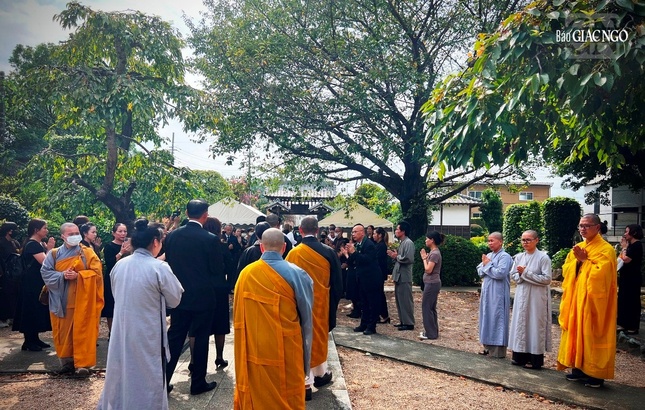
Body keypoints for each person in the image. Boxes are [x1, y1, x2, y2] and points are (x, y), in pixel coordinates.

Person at [97, 219, 183, 410]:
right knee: (148, 373)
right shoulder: (159, 267)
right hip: (147, 330)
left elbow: (116, 292)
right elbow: (175, 299)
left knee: (122, 370)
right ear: (155, 242)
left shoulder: (120, 265)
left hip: (122, 328)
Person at [233, 228, 313, 409]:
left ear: (261, 247)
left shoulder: (245, 274)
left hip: (253, 346)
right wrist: (306, 362)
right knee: (288, 394)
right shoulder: (298, 274)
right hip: (286, 347)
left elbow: (238, 317)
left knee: (257, 391)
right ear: (284, 248)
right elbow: (307, 320)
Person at [164, 199, 224, 395]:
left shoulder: (172, 236)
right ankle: (198, 382)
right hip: (203, 297)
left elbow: (169, 263)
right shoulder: (210, 239)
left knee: (175, 338)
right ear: (205, 215)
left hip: (179, 295)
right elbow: (217, 269)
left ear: (186, 213)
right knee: (201, 339)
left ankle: (163, 381)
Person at [286, 216, 343, 400]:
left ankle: (306, 381)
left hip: (298, 304)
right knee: (318, 338)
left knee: (301, 339)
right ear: (317, 230)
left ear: (300, 231)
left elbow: (285, 282)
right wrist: (332, 303)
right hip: (321, 305)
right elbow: (338, 284)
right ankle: (319, 374)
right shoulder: (329, 252)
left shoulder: (293, 254)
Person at [557, 214, 617, 388]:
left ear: (597, 227)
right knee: (576, 332)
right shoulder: (579, 247)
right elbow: (566, 270)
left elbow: (603, 276)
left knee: (592, 334)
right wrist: (578, 262)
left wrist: (584, 261)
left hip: (594, 302)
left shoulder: (606, 249)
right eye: (580, 226)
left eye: (587, 226)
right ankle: (578, 368)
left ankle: (595, 374)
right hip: (577, 299)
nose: (582, 229)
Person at [41, 222, 104, 376]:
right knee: (63, 333)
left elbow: (97, 274)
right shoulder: (54, 254)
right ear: (63, 236)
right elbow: (46, 272)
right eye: (71, 234)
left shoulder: (87, 253)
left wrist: (79, 276)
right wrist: (62, 275)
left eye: (77, 233)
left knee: (84, 331)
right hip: (61, 301)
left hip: (83, 302)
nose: (75, 236)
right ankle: (67, 362)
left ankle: (83, 365)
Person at [508, 230, 552, 369]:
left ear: (536, 240)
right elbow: (513, 274)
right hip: (521, 294)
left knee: (534, 324)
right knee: (520, 322)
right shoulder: (519, 257)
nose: (525, 242)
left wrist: (526, 273)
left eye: (528, 240)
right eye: (523, 240)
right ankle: (519, 356)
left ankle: (535, 359)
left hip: (536, 296)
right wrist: (521, 275)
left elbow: (547, 279)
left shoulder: (543, 258)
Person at [12, 219, 55, 351]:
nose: (46, 231)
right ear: (36, 230)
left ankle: (34, 339)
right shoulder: (33, 245)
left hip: (34, 281)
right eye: (44, 228)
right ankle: (29, 341)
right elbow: (45, 262)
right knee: (30, 309)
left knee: (35, 309)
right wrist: (50, 249)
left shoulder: (34, 244)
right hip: (31, 283)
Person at [476, 231, 512, 358]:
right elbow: (479, 271)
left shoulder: (505, 257)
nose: (489, 243)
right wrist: (488, 267)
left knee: (497, 318)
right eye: (488, 241)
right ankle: (487, 347)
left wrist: (488, 266)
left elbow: (500, 273)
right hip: (487, 292)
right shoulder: (489, 255)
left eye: (492, 240)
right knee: (486, 316)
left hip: (498, 293)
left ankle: (497, 351)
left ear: (500, 242)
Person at [203, 216, 232, 369]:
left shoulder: (198, 245)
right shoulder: (222, 246)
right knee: (220, 323)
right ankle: (219, 357)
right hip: (219, 287)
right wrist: (229, 286)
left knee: (198, 326)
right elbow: (230, 267)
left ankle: (194, 360)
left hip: (201, 287)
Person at [343, 224, 382, 335]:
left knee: (372, 302)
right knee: (363, 302)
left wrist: (354, 253)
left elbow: (367, 260)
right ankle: (364, 324)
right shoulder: (358, 244)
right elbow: (353, 261)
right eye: (352, 232)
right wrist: (348, 253)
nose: (353, 234)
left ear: (362, 233)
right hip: (361, 278)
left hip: (371, 278)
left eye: (355, 232)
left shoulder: (369, 245)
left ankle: (371, 326)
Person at [101, 223, 132, 337]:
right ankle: (112, 333)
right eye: (120, 231)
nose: (123, 234)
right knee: (111, 306)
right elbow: (109, 263)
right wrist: (121, 252)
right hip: (112, 278)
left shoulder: (130, 246)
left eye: (125, 231)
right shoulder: (109, 246)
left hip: (126, 277)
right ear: (114, 233)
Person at [387, 221, 415, 331]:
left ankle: (409, 323)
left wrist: (396, 256)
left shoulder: (408, 243)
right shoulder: (402, 242)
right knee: (400, 299)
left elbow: (409, 259)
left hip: (404, 276)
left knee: (406, 300)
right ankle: (403, 320)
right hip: (399, 276)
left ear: (403, 231)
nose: (396, 231)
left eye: (398, 229)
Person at [617, 224, 643, 335]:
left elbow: (626, 259)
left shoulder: (637, 245)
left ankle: (633, 326)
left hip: (633, 278)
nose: (625, 234)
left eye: (627, 232)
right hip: (625, 277)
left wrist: (624, 247)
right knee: (623, 299)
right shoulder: (630, 245)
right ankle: (623, 323)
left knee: (632, 301)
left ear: (634, 233)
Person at [419, 231, 444, 340]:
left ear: (432, 240)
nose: (425, 241)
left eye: (427, 239)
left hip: (432, 283)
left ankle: (430, 333)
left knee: (426, 307)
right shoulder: (434, 252)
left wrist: (424, 258)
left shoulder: (434, 254)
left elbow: (428, 270)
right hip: (432, 283)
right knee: (431, 307)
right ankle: (433, 331)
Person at [0, 222, 21, 328]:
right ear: (9, 231)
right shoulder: (1, 243)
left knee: (14, 295)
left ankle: (13, 316)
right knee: (5, 295)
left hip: (15, 274)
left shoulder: (15, 242)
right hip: (4, 273)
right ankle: (3, 317)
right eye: (15, 229)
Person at [373, 227, 390, 324]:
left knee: (379, 295)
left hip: (379, 273)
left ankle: (384, 315)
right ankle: (380, 314)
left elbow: (378, 259)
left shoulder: (381, 246)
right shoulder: (378, 245)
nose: (373, 235)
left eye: (375, 233)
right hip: (378, 273)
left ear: (380, 235)